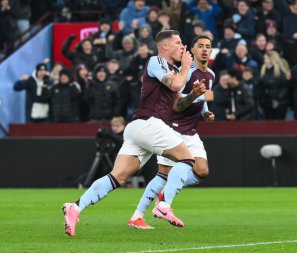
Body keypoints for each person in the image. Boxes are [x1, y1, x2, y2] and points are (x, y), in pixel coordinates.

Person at [62, 30, 206, 237]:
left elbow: (178, 104)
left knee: (117, 178)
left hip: (139, 127)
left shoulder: (171, 69)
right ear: (165, 46)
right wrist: (185, 67)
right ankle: (163, 205)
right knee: (188, 159)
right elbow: (175, 84)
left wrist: (194, 95)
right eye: (178, 42)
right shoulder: (156, 61)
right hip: (149, 124)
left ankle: (75, 207)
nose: (183, 46)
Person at [128, 35, 215, 229]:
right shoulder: (184, 72)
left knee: (201, 170)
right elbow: (177, 103)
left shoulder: (210, 74)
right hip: (174, 128)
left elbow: (202, 97)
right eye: (199, 46)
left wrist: (205, 111)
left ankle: (163, 197)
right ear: (190, 51)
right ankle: (142, 213)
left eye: (208, 47)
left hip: (191, 130)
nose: (204, 50)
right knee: (164, 174)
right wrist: (200, 99)